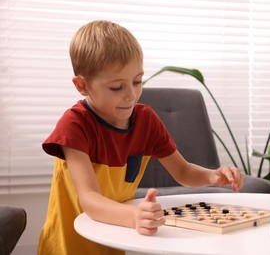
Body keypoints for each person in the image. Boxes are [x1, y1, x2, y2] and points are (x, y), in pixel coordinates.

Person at [38, 20, 244, 255]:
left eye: (137, 81)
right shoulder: (75, 125)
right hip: (68, 245)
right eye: (117, 87)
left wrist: (212, 176)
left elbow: (183, 171)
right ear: (82, 85)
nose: (131, 95)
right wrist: (135, 215)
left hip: (114, 239)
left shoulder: (146, 121)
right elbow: (90, 199)